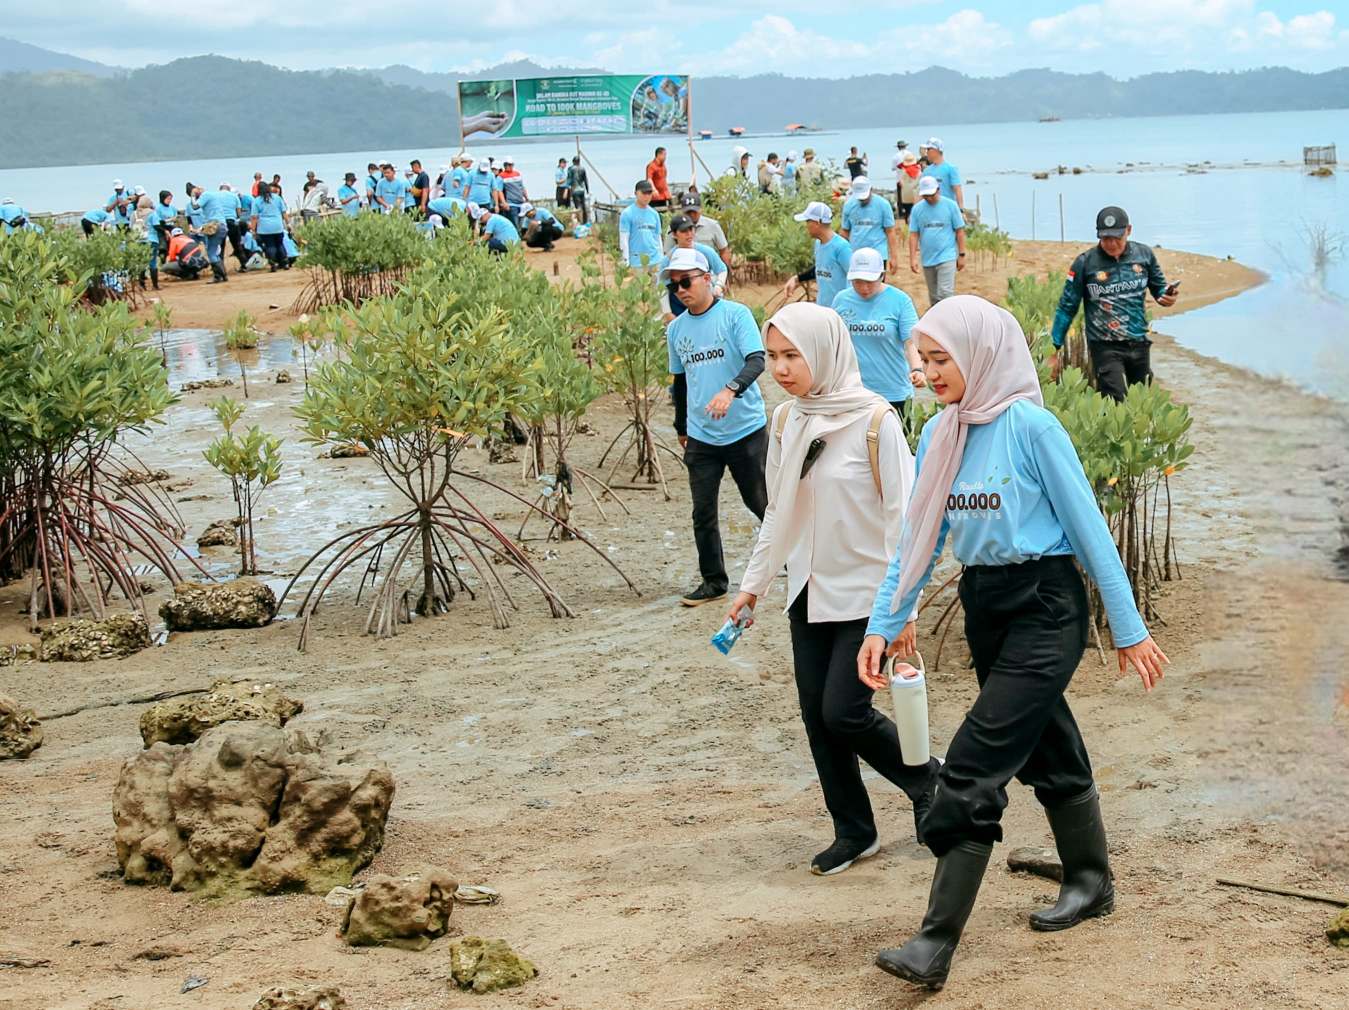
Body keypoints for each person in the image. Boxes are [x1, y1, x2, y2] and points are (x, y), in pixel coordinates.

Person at [858, 295, 1169, 991]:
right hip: (985, 606)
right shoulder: (941, 433)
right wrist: (883, 623)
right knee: (1045, 740)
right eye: (923, 359)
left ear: (981, 354)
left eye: (942, 359)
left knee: (973, 766)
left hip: (1045, 605)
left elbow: (1089, 529)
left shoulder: (1031, 426)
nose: (929, 372)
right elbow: (918, 540)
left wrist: (1128, 628)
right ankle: (1089, 877)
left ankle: (934, 942)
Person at [729, 302, 938, 875]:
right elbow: (779, 512)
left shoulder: (875, 421)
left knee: (844, 712)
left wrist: (904, 609)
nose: (781, 368)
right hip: (807, 590)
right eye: (773, 356)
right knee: (817, 720)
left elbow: (904, 522)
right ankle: (854, 830)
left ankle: (928, 781)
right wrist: (753, 585)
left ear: (825, 352)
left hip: (869, 596)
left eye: (793, 355)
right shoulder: (786, 421)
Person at [664, 247, 768, 607]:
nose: (680, 290)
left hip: (746, 429)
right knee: (703, 511)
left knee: (760, 502)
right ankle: (714, 581)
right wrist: (681, 426)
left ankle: (797, 561)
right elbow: (680, 381)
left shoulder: (736, 315)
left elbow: (757, 361)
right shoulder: (676, 330)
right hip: (701, 435)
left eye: (686, 282)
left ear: (707, 278)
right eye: (674, 285)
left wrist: (730, 389)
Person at [1050, 206, 1179, 401]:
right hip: (1104, 345)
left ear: (1129, 230)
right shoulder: (1085, 263)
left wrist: (1167, 297)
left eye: (1117, 237)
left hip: (1138, 341)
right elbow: (1067, 307)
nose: (1111, 243)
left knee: (1141, 400)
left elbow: (1159, 289)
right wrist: (1054, 347)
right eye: (1105, 238)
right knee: (1115, 397)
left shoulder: (1144, 255)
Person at [830, 248, 925, 427]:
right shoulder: (841, 300)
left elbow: (911, 342)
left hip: (893, 391)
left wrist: (917, 369)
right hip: (854, 390)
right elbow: (833, 341)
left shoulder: (900, 300)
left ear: (882, 275)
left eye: (869, 282)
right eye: (858, 282)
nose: (864, 288)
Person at [908, 176, 966, 306]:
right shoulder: (917, 210)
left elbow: (960, 231)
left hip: (947, 255)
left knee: (945, 293)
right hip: (928, 258)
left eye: (931, 195)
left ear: (938, 190)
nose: (929, 198)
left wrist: (962, 254)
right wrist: (913, 258)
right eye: (926, 196)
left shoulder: (951, 206)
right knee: (933, 295)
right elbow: (913, 234)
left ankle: (948, 316)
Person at [784, 201, 852, 309]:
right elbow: (820, 269)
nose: (806, 225)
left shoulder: (842, 248)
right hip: (823, 309)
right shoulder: (818, 244)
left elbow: (853, 277)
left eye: (808, 221)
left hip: (839, 311)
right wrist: (797, 279)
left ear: (817, 223)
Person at [660, 214, 727, 320]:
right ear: (674, 234)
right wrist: (667, 312)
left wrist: (718, 286)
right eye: (684, 231)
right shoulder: (668, 259)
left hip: (705, 300)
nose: (689, 234)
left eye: (691, 229)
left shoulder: (705, 251)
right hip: (678, 303)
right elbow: (662, 287)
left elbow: (722, 269)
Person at [840, 176, 899, 267]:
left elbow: (890, 231)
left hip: (878, 253)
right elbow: (845, 231)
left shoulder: (883, 205)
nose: (863, 199)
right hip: (856, 253)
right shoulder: (849, 205)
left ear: (871, 189)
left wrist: (894, 257)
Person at [677, 192, 730, 270]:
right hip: (684, 271)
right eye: (688, 212)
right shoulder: (675, 228)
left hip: (709, 271)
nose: (692, 215)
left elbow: (723, 250)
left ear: (700, 210)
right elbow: (668, 252)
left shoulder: (712, 225)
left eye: (694, 211)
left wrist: (725, 271)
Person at [619, 180, 663, 269]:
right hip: (637, 262)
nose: (647, 196)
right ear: (636, 193)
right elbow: (624, 239)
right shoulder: (627, 213)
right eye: (644, 193)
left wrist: (661, 257)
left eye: (649, 193)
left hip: (655, 260)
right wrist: (626, 260)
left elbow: (658, 237)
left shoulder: (654, 214)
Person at [249, 181, 290, 270]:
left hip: (264, 228)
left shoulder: (257, 201)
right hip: (278, 226)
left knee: (270, 246)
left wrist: (253, 230)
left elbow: (254, 217)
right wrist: (288, 224)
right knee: (280, 244)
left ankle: (273, 264)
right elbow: (284, 212)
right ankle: (285, 263)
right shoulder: (277, 198)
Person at [921, 139, 964, 211]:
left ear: (937, 150)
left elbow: (957, 189)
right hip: (930, 210)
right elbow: (921, 192)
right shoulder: (926, 171)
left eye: (928, 149)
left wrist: (961, 209)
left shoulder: (951, 169)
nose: (926, 152)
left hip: (948, 209)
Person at [497, 158, 528, 228]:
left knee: (522, 224)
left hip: (521, 202)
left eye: (511, 165)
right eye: (508, 165)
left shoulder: (517, 174)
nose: (510, 166)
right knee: (514, 223)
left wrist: (526, 197)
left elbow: (522, 187)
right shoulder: (501, 176)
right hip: (511, 203)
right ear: (505, 165)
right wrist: (504, 203)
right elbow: (499, 191)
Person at [896, 150, 921, 224]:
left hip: (905, 196)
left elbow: (900, 183)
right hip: (916, 196)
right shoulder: (919, 171)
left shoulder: (903, 171)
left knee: (907, 213)